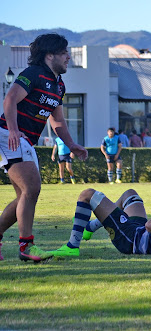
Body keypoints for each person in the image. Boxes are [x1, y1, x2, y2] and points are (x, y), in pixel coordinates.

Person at [0, 33, 88, 262]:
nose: (68, 57)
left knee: (25, 196)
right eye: (63, 53)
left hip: (24, 140)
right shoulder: (33, 74)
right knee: (32, 188)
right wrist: (12, 130)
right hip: (8, 135)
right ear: (49, 55)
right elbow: (9, 100)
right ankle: (26, 247)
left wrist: (71, 145)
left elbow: (57, 120)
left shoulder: (59, 85)